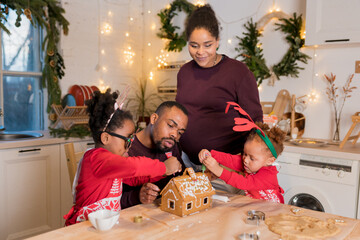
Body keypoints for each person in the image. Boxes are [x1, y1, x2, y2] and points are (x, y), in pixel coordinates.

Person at [64, 90, 182, 226]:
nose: (130, 143)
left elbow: (136, 178)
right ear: (106, 138)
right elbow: (133, 167)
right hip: (82, 229)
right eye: (128, 138)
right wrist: (164, 167)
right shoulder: (96, 158)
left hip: (104, 227)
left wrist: (163, 173)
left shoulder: (113, 164)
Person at [176, 4, 263, 169]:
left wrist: (237, 164)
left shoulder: (238, 72)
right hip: (188, 163)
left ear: (217, 41)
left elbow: (255, 123)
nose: (200, 52)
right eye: (194, 45)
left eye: (207, 45)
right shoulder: (184, 72)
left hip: (226, 167)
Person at [198, 102, 286, 203]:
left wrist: (218, 170)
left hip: (272, 209)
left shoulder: (268, 176)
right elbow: (231, 160)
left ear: (270, 161)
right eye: (245, 154)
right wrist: (210, 154)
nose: (245, 160)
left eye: (252, 158)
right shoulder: (250, 163)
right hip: (257, 205)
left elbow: (244, 183)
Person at [121, 101, 188, 208]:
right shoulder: (125, 148)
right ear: (154, 119)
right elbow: (109, 201)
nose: (174, 135)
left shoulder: (171, 146)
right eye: (170, 125)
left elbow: (183, 179)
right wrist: (137, 196)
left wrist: (205, 176)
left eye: (180, 132)